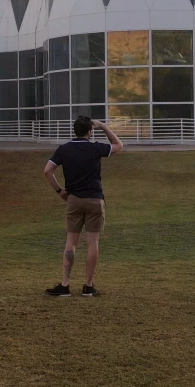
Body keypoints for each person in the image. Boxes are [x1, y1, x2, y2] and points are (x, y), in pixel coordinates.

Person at [43, 116, 124, 297]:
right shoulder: (95, 148)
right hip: (94, 199)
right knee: (92, 243)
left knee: (71, 242)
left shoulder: (64, 150)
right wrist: (102, 126)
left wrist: (59, 191)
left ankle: (65, 285)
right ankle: (88, 285)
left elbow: (47, 170)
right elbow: (119, 145)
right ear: (89, 131)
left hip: (74, 199)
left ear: (74, 130)